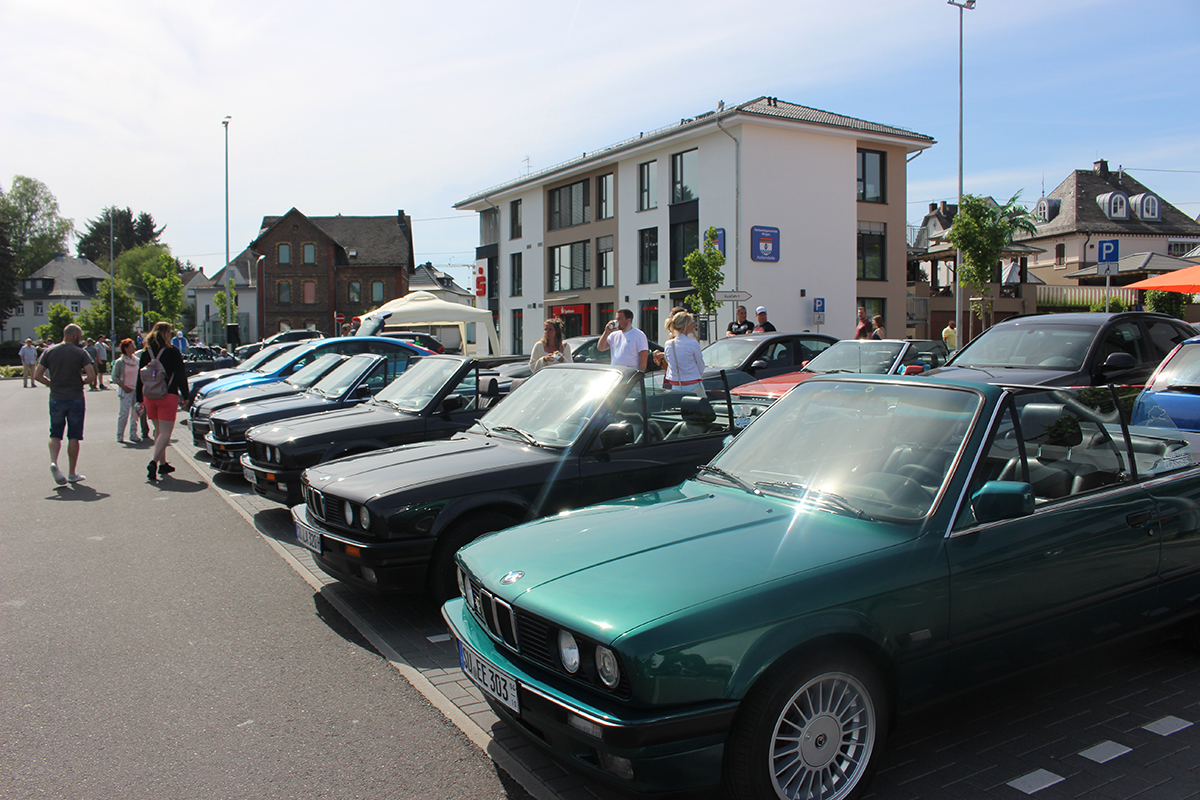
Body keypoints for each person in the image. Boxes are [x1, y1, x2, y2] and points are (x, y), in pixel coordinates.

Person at [33, 323, 97, 485]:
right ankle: (72, 473)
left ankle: (54, 462)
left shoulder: (49, 351)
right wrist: (81, 382)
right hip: (75, 397)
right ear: (75, 336)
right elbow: (91, 376)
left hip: (56, 396)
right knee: (74, 435)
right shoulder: (80, 352)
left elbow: (37, 375)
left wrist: (51, 384)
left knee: (55, 432)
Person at [137, 321, 189, 482]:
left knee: (158, 431)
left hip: (150, 396)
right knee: (166, 432)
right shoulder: (173, 352)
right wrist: (185, 395)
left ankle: (163, 463)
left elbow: (140, 377)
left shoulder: (146, 351)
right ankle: (153, 462)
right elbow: (180, 373)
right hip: (168, 394)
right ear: (167, 333)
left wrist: (139, 398)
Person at [658, 311, 705, 392]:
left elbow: (670, 363)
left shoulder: (669, 344)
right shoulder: (693, 344)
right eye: (691, 323)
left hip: (676, 384)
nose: (693, 325)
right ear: (684, 326)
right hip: (693, 383)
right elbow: (700, 366)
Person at [112, 339, 142, 443]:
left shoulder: (137, 360)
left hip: (136, 390)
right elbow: (114, 377)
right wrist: (123, 386)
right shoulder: (120, 362)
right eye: (131, 346)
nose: (134, 348)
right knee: (124, 413)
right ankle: (120, 435)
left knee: (135, 413)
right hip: (126, 390)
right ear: (126, 348)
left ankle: (133, 434)